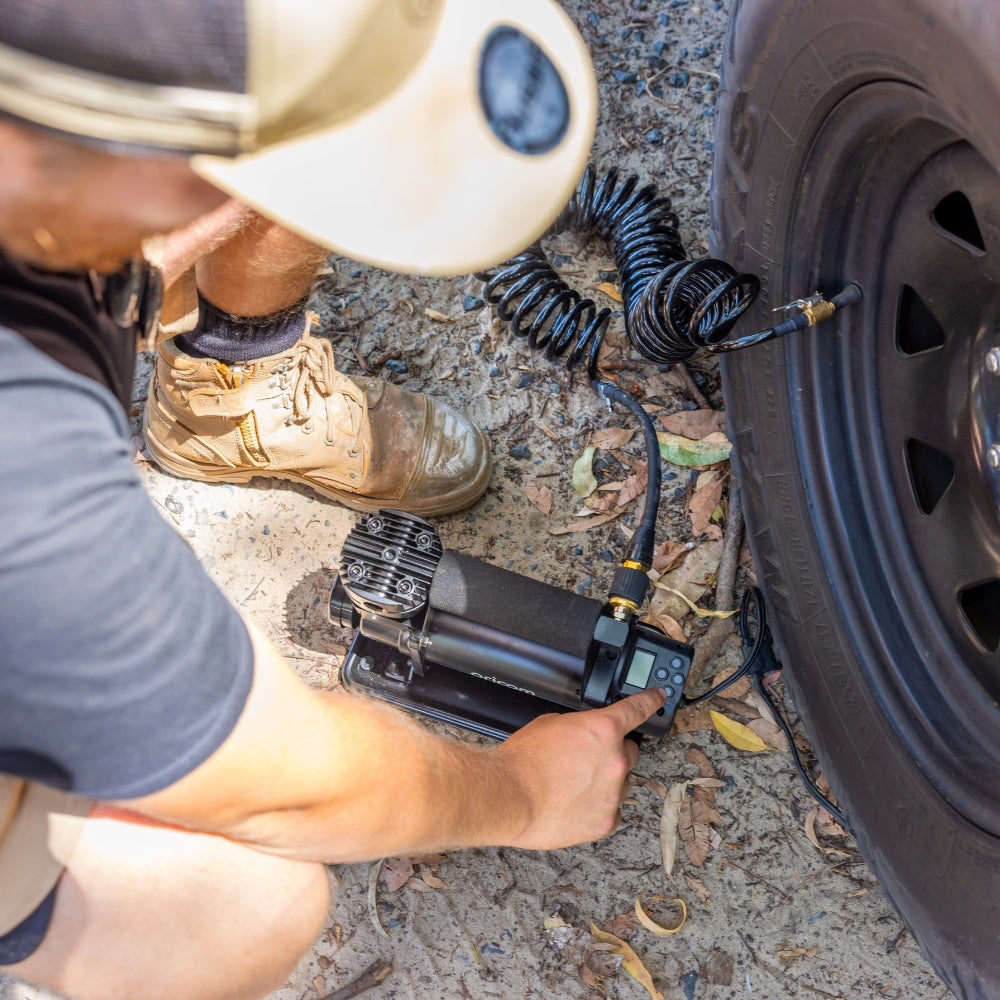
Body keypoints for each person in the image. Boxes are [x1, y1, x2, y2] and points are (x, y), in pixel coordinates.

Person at [0, 3, 668, 999]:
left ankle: (237, 393)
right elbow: (276, 780)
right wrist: (523, 794)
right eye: (205, 167)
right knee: (241, 911)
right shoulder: (33, 495)